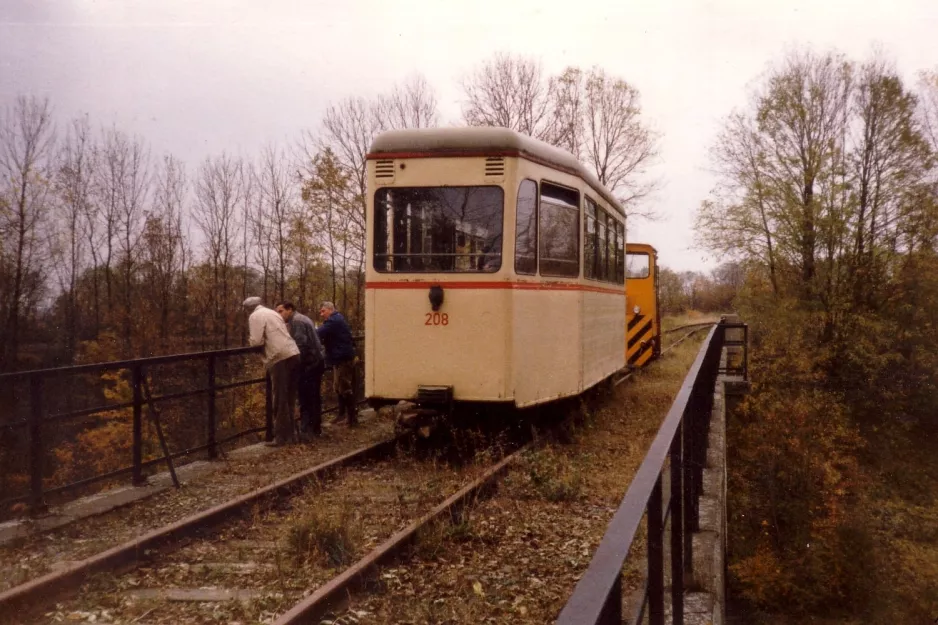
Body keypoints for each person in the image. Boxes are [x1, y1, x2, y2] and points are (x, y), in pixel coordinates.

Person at [244, 296, 300, 446]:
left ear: (249, 308)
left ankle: (281, 437)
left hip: (278, 357)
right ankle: (292, 435)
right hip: (293, 353)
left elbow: (256, 341)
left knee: (280, 399)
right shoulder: (273, 313)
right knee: (290, 396)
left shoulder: (255, 316)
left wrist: (252, 343)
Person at [276, 301, 325, 439]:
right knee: (313, 397)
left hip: (310, 364)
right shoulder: (301, 318)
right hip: (316, 361)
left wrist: (295, 366)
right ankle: (314, 428)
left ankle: (308, 429)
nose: (279, 315)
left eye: (281, 311)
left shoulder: (296, 322)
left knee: (306, 397)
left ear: (289, 309)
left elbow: (301, 345)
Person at [316, 301, 358, 425]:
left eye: (323, 311)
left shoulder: (333, 321)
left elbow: (318, 332)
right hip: (340, 357)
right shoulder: (337, 319)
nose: (321, 313)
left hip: (342, 358)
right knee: (338, 386)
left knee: (343, 387)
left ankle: (351, 418)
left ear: (330, 310)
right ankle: (343, 415)